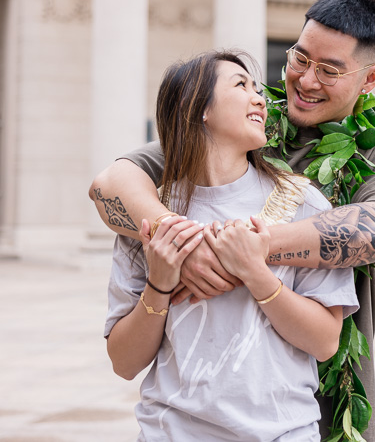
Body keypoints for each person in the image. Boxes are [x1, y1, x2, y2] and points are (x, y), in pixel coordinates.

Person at [90, 0, 375, 442]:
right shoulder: (246, 125)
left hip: (317, 411)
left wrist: (249, 250)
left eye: (329, 70)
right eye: (300, 59)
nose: (306, 81)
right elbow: (110, 184)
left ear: (370, 79)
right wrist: (179, 245)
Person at [105, 49, 359, 441]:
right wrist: (159, 282)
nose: (260, 98)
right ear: (198, 108)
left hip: (282, 433)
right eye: (241, 85)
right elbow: (124, 362)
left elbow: (325, 342)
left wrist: (258, 275)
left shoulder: (303, 204)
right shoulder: (152, 215)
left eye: (256, 87)